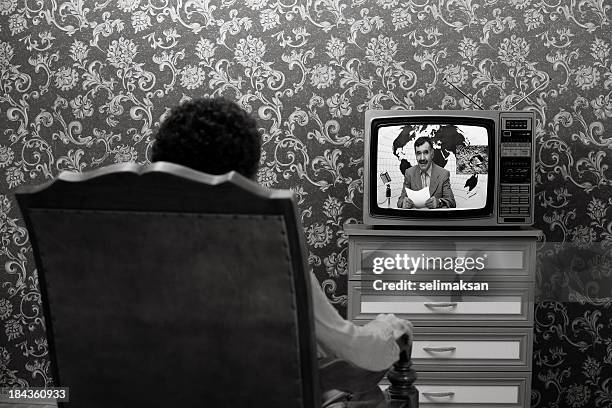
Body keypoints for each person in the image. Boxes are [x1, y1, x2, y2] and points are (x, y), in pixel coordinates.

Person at [152, 97, 413, 404]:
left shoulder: (116, 243)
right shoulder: (266, 245)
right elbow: (350, 350)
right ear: (246, 177)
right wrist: (388, 328)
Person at [397, 136, 456, 209]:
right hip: (415, 219)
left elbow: (452, 202)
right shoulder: (409, 173)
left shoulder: (443, 174)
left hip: (435, 219)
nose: (422, 158)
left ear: (432, 153)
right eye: (418, 153)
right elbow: (400, 201)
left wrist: (439, 202)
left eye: (425, 153)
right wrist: (403, 203)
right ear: (415, 155)